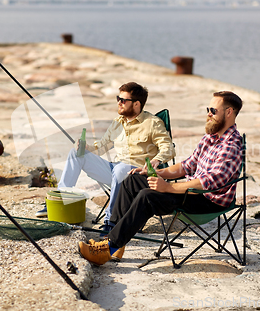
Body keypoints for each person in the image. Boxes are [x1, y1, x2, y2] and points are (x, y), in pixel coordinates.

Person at [78, 91, 243, 265]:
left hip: (208, 200)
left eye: (213, 110)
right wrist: (157, 173)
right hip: (190, 191)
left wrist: (168, 188)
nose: (208, 114)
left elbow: (208, 183)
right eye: (208, 109)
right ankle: (113, 240)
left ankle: (107, 249)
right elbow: (186, 166)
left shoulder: (231, 145)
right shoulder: (210, 138)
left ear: (229, 112)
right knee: (132, 180)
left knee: (148, 197)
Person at [37, 82, 175, 234]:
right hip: (115, 170)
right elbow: (102, 146)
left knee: (121, 169)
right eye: (118, 98)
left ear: (136, 104)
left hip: (137, 175)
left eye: (123, 100)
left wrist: (157, 160)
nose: (119, 103)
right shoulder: (117, 123)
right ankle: (60, 200)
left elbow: (168, 148)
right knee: (76, 154)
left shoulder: (152, 123)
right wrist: (86, 147)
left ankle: (111, 221)